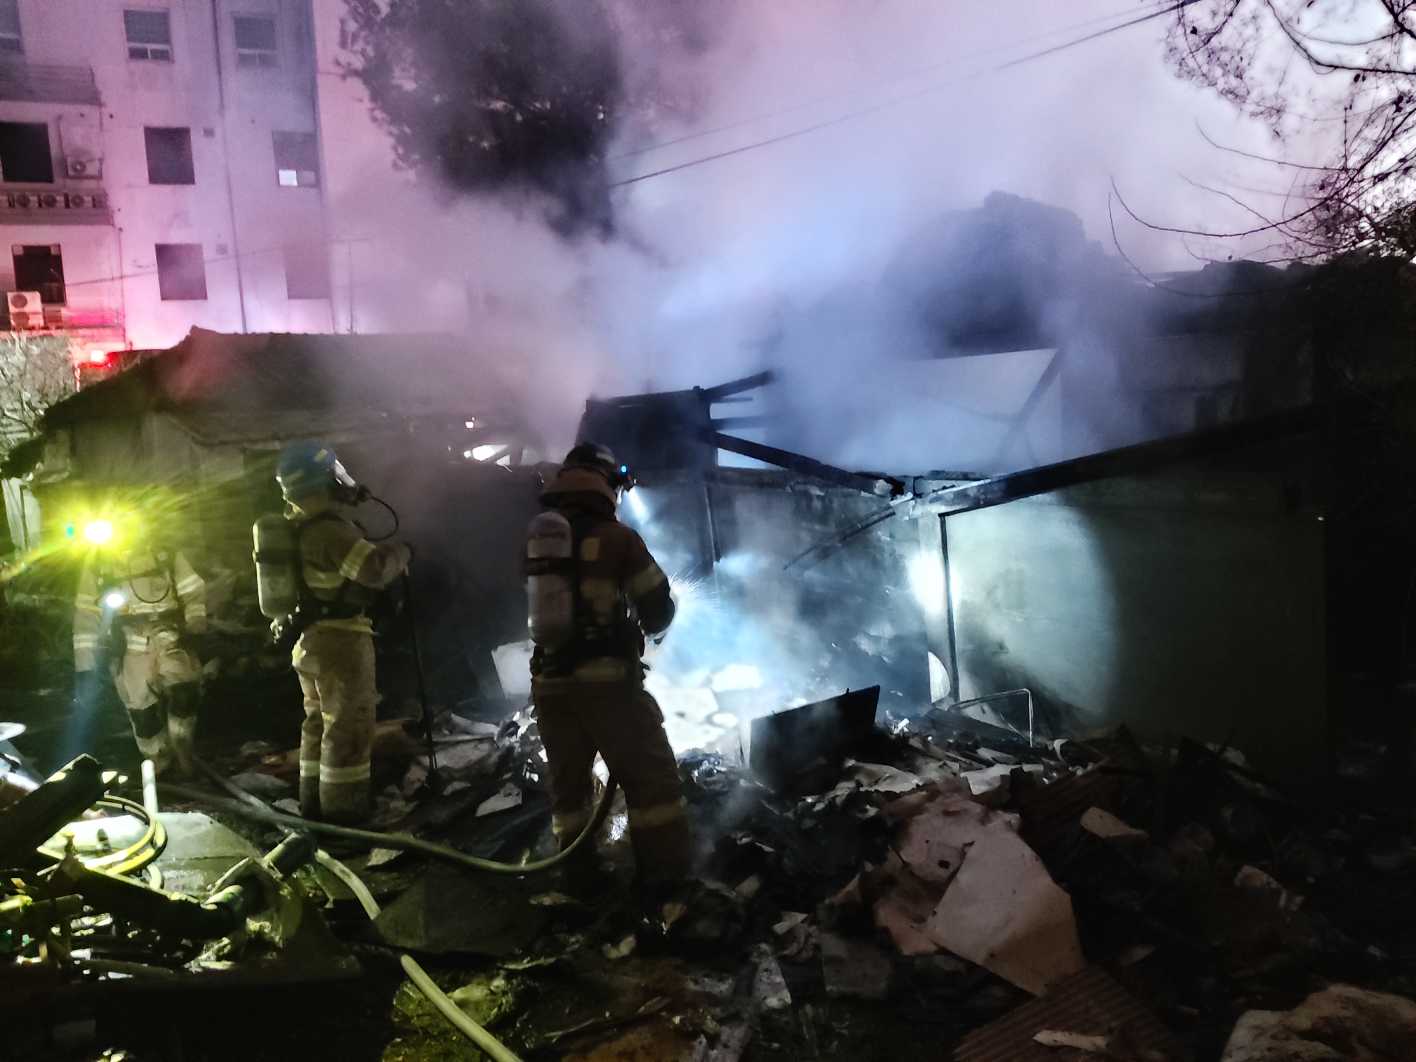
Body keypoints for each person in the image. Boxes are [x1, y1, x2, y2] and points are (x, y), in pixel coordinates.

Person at [529, 442, 691, 893]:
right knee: (652, 782)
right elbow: (657, 609)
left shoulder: (539, 538)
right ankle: (665, 883)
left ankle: (579, 876)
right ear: (607, 484)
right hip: (606, 687)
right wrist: (648, 625)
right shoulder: (619, 539)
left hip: (549, 681)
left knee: (569, 788)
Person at [275, 441, 410, 824]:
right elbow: (374, 570)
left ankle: (313, 808)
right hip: (341, 644)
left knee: (318, 724)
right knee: (349, 729)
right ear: (326, 480)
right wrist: (404, 552)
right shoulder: (328, 531)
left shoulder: (295, 526)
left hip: (311, 641)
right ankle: (344, 817)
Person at [73, 525, 206, 775]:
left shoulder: (164, 554)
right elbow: (86, 618)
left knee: (185, 695)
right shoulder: (99, 565)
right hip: (129, 649)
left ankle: (184, 754)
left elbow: (193, 591)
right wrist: (85, 667)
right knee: (144, 715)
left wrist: (196, 624)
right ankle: (158, 767)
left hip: (170, 638)